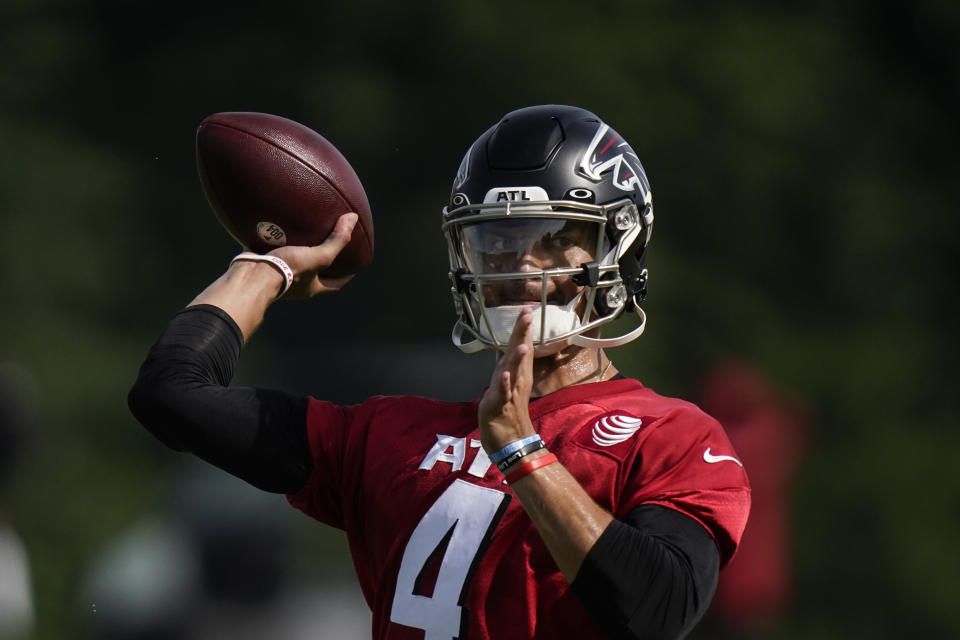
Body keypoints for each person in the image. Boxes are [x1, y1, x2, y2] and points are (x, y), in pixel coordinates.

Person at [129, 105, 750, 640]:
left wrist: (525, 456)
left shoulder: (669, 436)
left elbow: (656, 611)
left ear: (618, 249)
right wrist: (265, 269)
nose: (520, 267)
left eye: (553, 238)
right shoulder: (388, 438)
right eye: (497, 243)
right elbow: (172, 395)